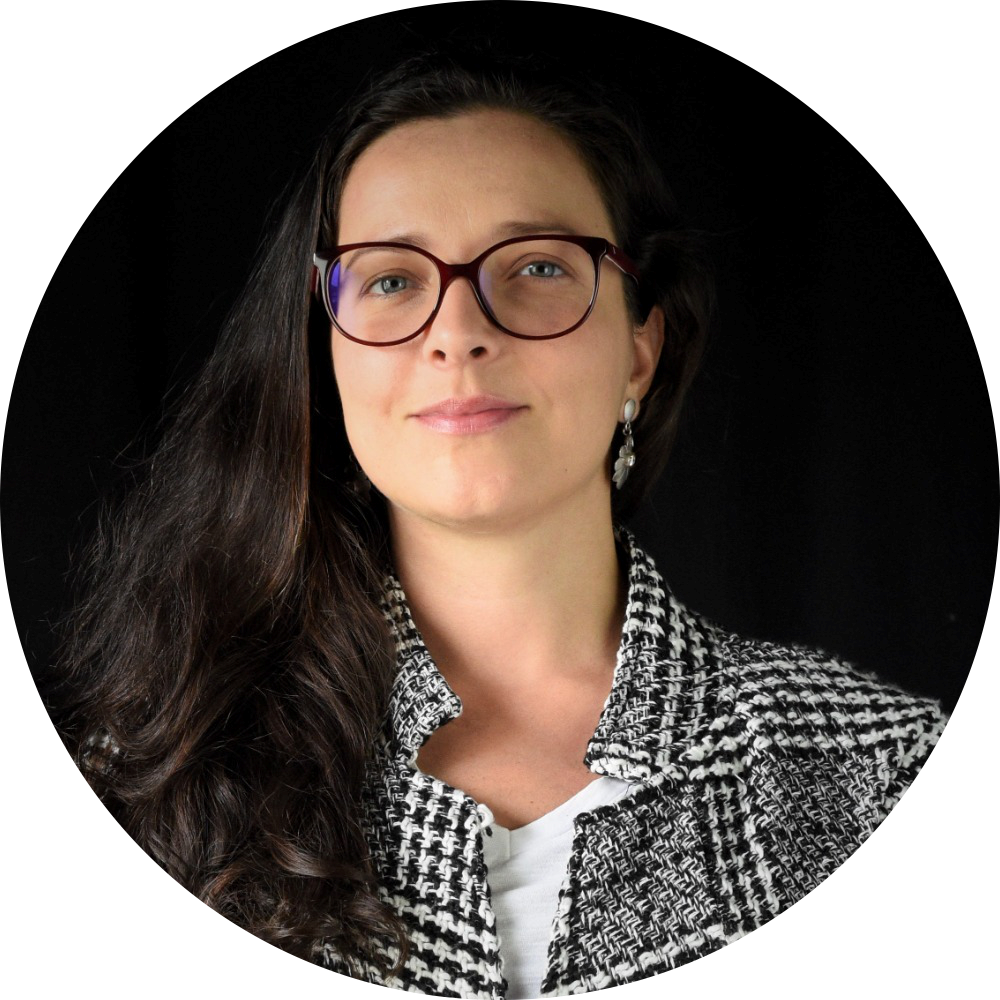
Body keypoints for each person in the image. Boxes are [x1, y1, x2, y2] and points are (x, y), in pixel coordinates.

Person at [57, 50, 948, 999]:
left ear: (640, 350)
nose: (458, 332)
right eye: (392, 281)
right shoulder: (138, 793)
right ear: (324, 354)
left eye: (537, 267)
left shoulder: (885, 775)